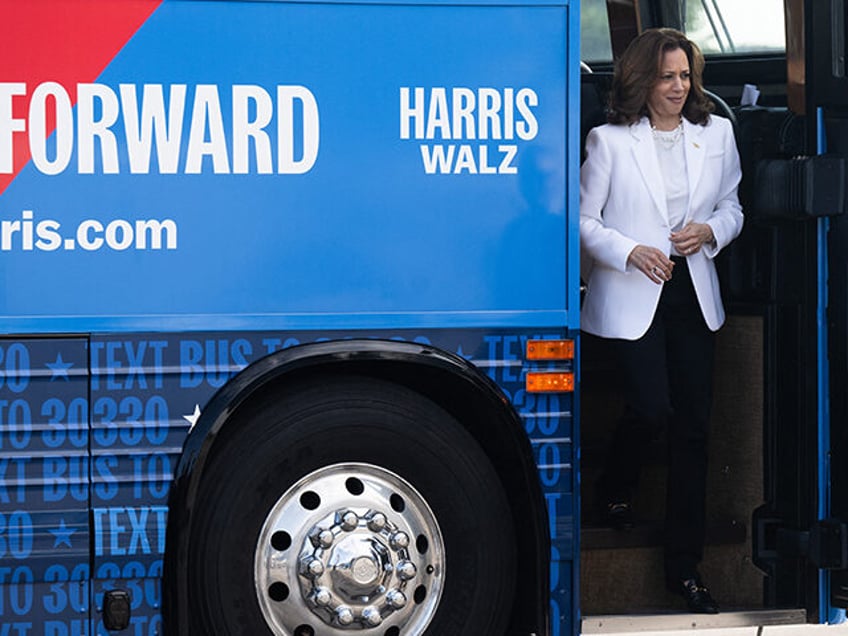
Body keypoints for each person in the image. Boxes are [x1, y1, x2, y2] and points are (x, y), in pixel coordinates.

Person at [580, 28, 744, 614]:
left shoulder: (717, 133)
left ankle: (686, 568)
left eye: (685, 76)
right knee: (652, 407)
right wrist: (631, 251)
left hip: (694, 292)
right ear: (641, 80)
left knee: (694, 429)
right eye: (667, 77)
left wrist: (711, 232)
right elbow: (584, 221)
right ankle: (614, 488)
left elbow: (733, 207)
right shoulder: (609, 141)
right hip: (634, 291)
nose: (679, 87)